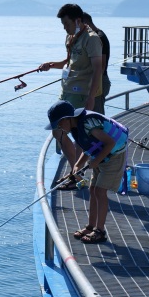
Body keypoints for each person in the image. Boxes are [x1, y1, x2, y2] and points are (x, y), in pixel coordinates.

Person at [46, 100, 128, 244]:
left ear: (67, 119)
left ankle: (100, 231)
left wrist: (96, 161)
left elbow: (110, 143)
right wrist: (77, 165)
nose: (59, 127)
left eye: (59, 124)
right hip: (102, 155)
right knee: (93, 190)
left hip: (114, 156)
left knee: (100, 191)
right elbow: (89, 146)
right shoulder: (75, 127)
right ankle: (91, 226)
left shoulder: (88, 124)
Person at [38, 4, 104, 171]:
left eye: (67, 24)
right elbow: (69, 62)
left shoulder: (92, 38)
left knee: (77, 132)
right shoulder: (70, 37)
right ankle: (76, 171)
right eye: (63, 25)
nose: (65, 28)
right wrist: (51, 65)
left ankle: (75, 173)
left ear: (78, 20)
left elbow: (98, 68)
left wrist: (91, 96)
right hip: (66, 90)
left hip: (81, 92)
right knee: (57, 131)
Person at [82, 12, 111, 114]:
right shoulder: (95, 36)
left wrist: (93, 92)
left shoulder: (98, 37)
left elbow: (101, 67)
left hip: (100, 81)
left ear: (85, 23)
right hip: (98, 81)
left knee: (97, 114)